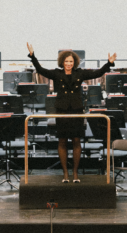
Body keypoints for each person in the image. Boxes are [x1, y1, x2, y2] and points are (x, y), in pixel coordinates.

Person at [27, 42, 116, 182]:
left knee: (76, 140)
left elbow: (97, 73)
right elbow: (40, 70)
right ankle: (65, 174)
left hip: (76, 109)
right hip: (62, 110)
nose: (69, 63)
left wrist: (108, 63)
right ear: (62, 62)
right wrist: (32, 56)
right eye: (66, 61)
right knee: (62, 141)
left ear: (75, 62)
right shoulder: (57, 73)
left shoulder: (80, 73)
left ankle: (75, 173)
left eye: (71, 61)